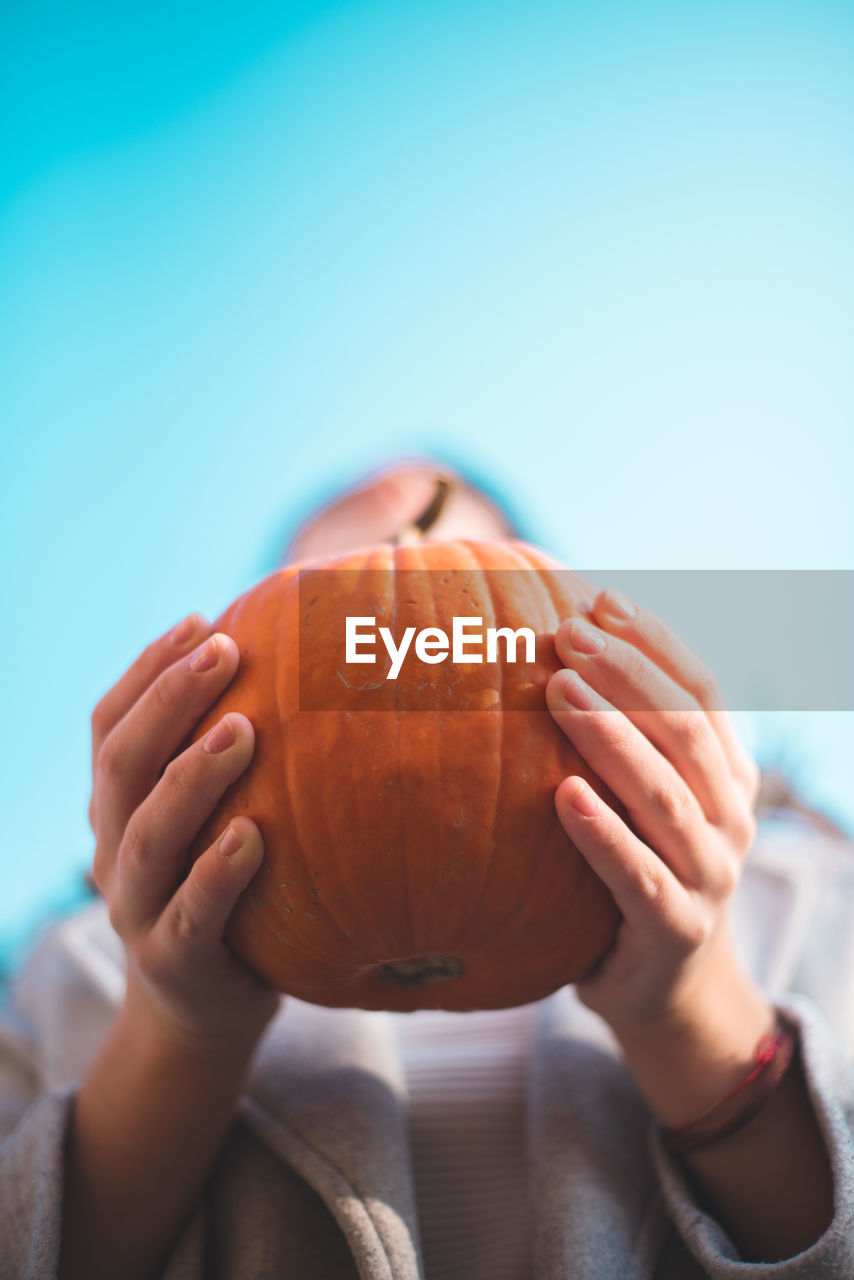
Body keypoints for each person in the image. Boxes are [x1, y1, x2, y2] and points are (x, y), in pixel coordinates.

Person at [1, 458, 853, 1280]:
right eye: (347, 595)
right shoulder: (83, 967)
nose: (401, 635)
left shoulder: (804, 901)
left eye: (446, 579)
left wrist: (690, 1003)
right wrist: (181, 1033)